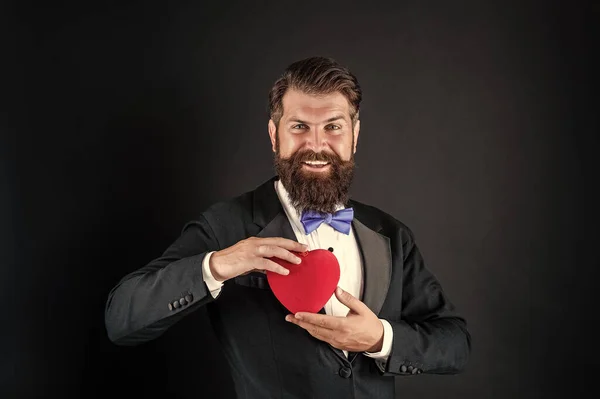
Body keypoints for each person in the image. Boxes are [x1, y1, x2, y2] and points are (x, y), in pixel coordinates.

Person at [104, 56, 471, 399]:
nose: (316, 144)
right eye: (299, 126)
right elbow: (121, 319)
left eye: (333, 127)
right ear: (274, 134)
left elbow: (455, 342)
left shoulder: (391, 234)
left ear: (354, 135)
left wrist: (381, 338)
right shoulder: (226, 225)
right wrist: (217, 265)